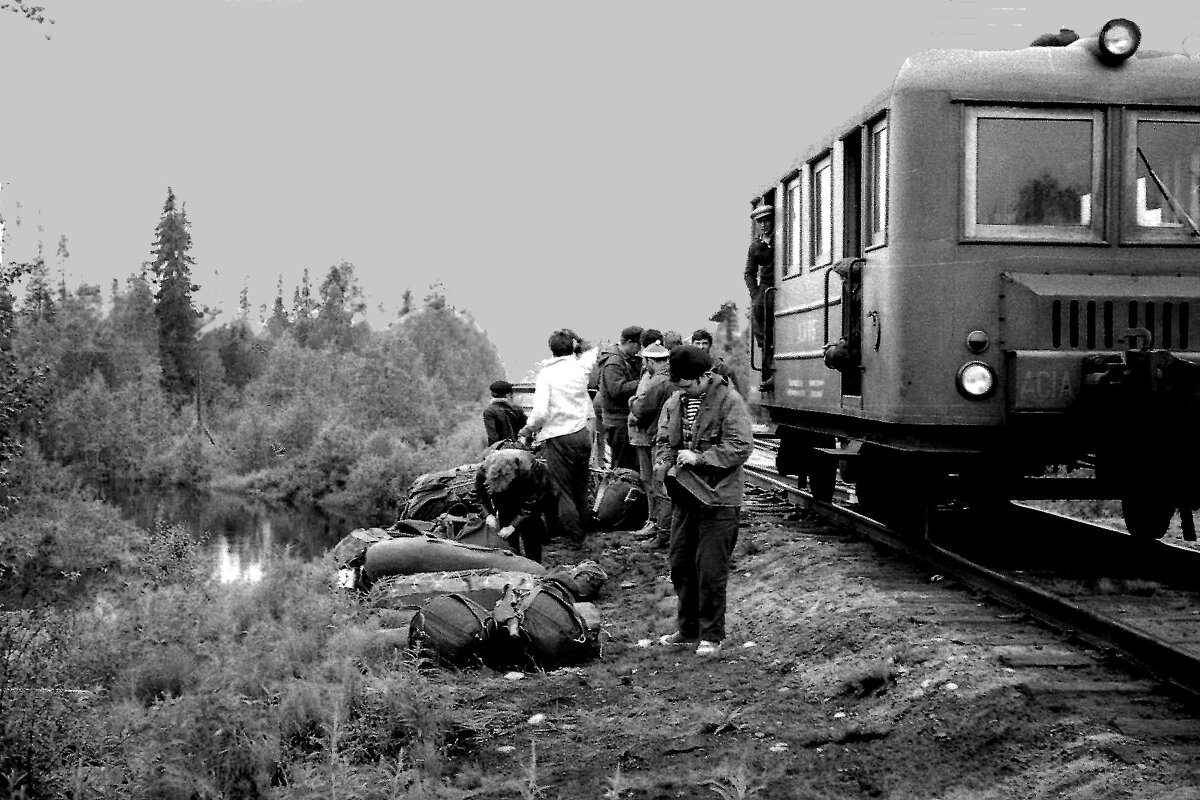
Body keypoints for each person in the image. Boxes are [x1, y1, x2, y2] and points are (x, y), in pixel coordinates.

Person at [655, 345, 754, 658]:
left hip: (718, 499)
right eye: (679, 386)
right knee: (681, 564)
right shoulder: (676, 401)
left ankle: (712, 635)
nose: (683, 391)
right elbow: (663, 440)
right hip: (685, 497)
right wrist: (665, 464)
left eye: (687, 385)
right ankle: (687, 631)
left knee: (710, 570)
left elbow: (740, 447)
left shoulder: (729, 401)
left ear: (705, 376)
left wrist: (700, 458)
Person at [519, 329, 596, 543]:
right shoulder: (581, 366)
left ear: (550, 349)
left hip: (559, 437)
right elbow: (593, 348)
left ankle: (574, 534)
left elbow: (541, 412)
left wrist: (527, 429)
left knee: (562, 489)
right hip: (582, 434)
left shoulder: (547, 374)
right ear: (572, 346)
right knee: (581, 486)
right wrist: (577, 339)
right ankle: (584, 526)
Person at [629, 342, 675, 549]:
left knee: (656, 484)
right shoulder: (671, 377)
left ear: (649, 361)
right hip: (663, 436)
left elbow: (642, 409)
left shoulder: (657, 382)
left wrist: (632, 402)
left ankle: (659, 528)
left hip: (655, 437)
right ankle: (661, 526)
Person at [475, 446, 548, 563]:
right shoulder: (483, 471)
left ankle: (535, 565)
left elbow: (533, 501)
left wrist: (513, 526)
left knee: (530, 530)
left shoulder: (529, 469)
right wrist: (488, 514)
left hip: (527, 492)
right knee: (506, 528)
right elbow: (479, 496)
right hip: (504, 500)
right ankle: (513, 559)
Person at [596, 325, 644, 471]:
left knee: (625, 463)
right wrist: (641, 383)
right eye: (638, 346)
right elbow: (616, 390)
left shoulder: (626, 359)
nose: (639, 350)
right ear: (630, 342)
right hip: (617, 421)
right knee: (623, 466)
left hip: (621, 419)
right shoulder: (614, 362)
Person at [745, 204, 775, 392]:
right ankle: (767, 372)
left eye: (766, 220)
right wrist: (755, 294)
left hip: (780, 283)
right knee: (760, 320)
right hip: (765, 288)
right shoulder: (756, 246)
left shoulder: (783, 238)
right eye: (760, 222)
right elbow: (749, 272)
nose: (763, 225)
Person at [690, 329, 742, 396]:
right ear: (692, 345)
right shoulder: (685, 367)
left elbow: (736, 395)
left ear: (710, 345)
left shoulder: (721, 368)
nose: (701, 347)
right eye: (697, 343)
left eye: (705, 343)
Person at [482, 380, 528, 446]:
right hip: (518, 446)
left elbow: (493, 437)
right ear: (508, 394)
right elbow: (526, 427)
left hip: (500, 448)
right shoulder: (517, 409)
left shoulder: (489, 412)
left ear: (492, 394)